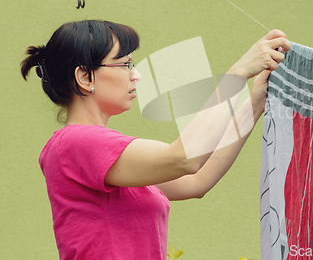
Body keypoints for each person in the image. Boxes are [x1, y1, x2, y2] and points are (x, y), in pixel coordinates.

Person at [20, 20, 290, 260]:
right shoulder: (77, 142)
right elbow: (184, 158)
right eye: (125, 63)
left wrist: (253, 104)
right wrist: (238, 72)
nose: (135, 74)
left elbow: (197, 180)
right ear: (84, 76)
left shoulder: (105, 154)